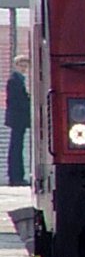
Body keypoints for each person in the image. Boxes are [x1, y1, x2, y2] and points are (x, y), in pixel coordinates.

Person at [5, 54, 30, 187]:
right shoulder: (14, 80)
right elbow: (17, 101)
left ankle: (17, 176)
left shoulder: (18, 80)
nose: (24, 68)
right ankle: (15, 176)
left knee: (16, 147)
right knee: (16, 147)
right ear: (16, 65)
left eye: (25, 66)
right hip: (17, 119)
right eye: (22, 65)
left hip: (18, 119)